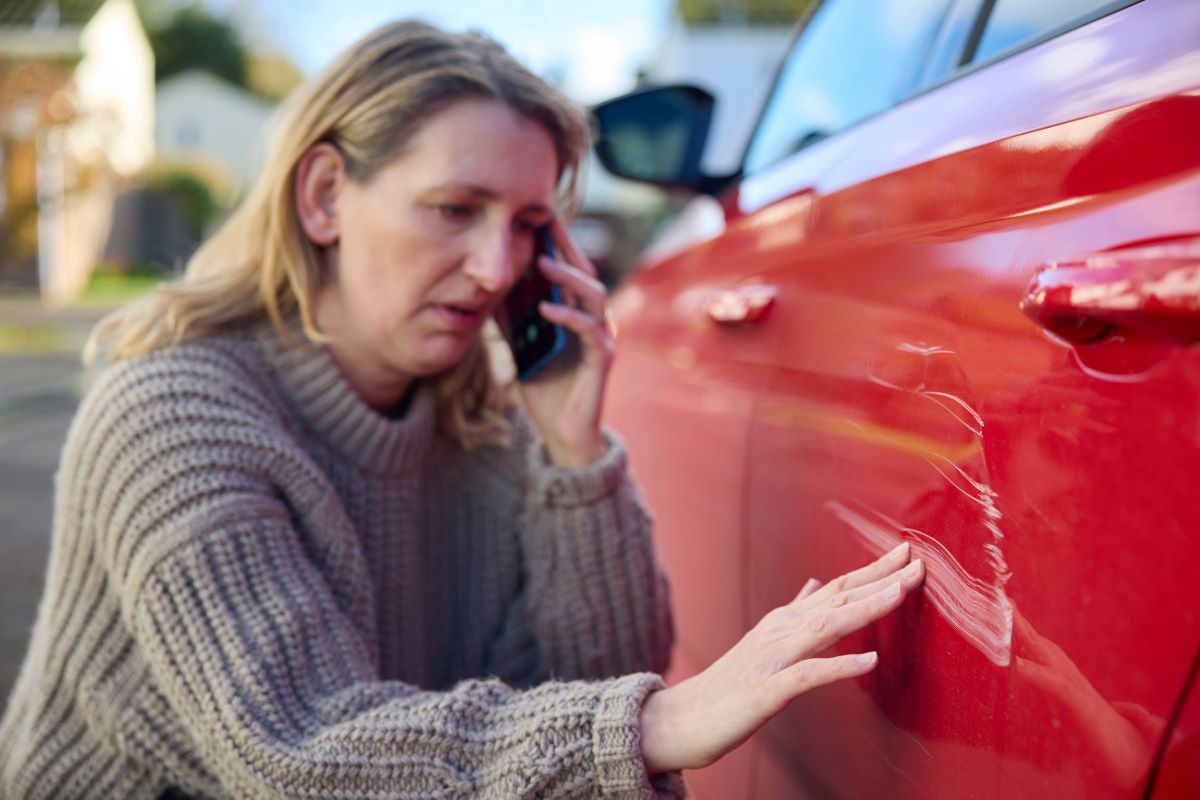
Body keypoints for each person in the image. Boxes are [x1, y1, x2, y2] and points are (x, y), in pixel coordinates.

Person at [0, 20, 924, 799]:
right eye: (454, 209)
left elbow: (588, 686)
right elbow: (295, 745)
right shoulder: (172, 414)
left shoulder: (488, 428)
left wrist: (571, 448)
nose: (497, 270)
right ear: (324, 198)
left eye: (527, 225)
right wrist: (651, 722)